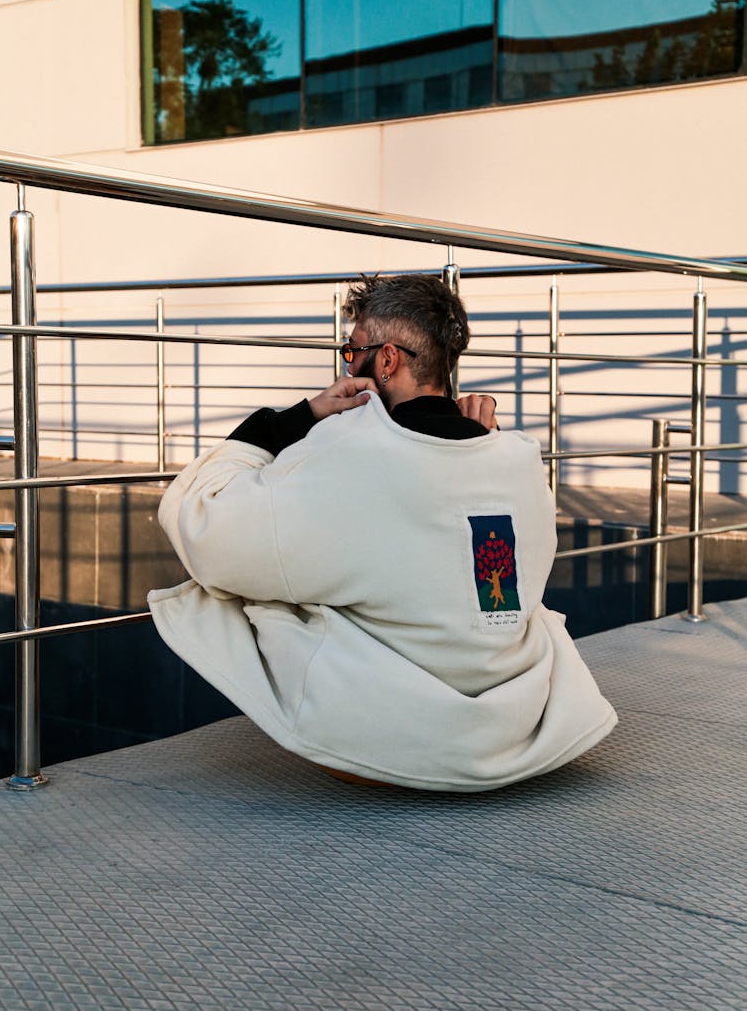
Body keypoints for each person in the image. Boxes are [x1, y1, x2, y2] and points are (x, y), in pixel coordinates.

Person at [148, 275, 616, 791]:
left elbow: (200, 524)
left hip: (393, 748)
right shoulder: (516, 458)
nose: (347, 364)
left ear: (387, 359)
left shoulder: (348, 452)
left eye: (353, 351)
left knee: (233, 587)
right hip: (523, 732)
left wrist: (295, 421)